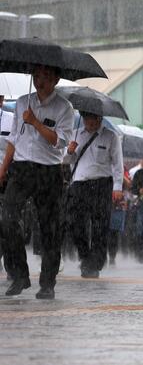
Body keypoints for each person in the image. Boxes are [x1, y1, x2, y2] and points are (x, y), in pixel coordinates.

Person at [0, 65, 74, 299]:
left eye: (45, 77)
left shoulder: (64, 108)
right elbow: (13, 137)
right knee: (7, 218)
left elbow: (59, 142)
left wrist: (35, 122)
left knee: (49, 228)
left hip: (48, 170)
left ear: (56, 79)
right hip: (21, 169)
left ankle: (47, 282)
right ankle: (20, 275)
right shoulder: (23, 101)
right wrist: (3, 168)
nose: (40, 81)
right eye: (36, 76)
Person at [64, 111, 123, 278]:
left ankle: (95, 263)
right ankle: (85, 256)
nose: (88, 122)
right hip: (79, 184)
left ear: (99, 118)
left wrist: (118, 187)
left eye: (91, 118)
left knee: (100, 226)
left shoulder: (111, 136)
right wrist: (69, 151)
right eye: (85, 118)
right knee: (74, 222)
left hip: (102, 184)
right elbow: (66, 161)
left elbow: (118, 163)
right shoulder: (76, 135)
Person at [0, 94, 14, 277]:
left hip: (7, 177)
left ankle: (10, 261)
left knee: (7, 220)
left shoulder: (12, 120)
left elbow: (15, 147)